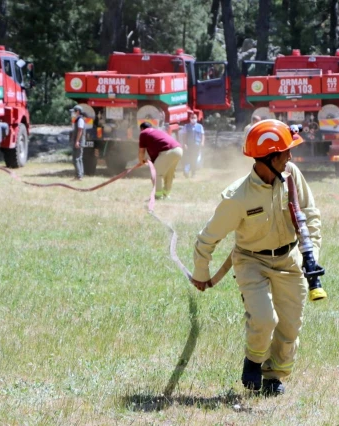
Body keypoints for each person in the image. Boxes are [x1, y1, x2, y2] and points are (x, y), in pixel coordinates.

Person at [191, 119, 321, 397]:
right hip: (252, 262)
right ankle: (253, 359)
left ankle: (273, 376)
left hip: (290, 260)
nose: (291, 157)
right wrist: (202, 274)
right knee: (264, 318)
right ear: (269, 158)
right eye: (286, 152)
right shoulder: (238, 197)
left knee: (290, 326)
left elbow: (310, 215)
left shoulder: (292, 175)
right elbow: (207, 239)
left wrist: (312, 254)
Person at [138, 122, 183, 199]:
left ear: (142, 129)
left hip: (168, 151)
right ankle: (166, 195)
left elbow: (142, 151)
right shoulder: (157, 132)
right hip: (178, 150)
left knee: (155, 174)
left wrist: (141, 161)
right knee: (169, 175)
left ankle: (158, 196)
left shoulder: (143, 133)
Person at [180, 113, 205, 178]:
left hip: (197, 145)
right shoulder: (186, 126)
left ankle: (193, 173)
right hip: (189, 145)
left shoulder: (200, 126)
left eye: (194, 117)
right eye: (192, 118)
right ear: (190, 118)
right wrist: (184, 144)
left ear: (197, 118)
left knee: (194, 159)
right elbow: (184, 136)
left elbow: (202, 135)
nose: (193, 119)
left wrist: (202, 142)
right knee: (188, 158)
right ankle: (186, 171)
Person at [69, 105, 85, 180]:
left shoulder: (80, 120)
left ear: (78, 111)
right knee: (79, 158)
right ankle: (79, 175)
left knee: (76, 159)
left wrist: (77, 141)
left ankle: (79, 176)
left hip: (79, 142)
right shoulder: (78, 119)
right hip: (79, 141)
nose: (74, 113)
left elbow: (80, 130)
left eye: (74, 111)